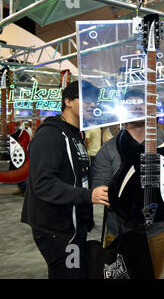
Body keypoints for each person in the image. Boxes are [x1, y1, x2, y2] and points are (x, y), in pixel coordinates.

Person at [21, 81, 109, 279]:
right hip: (56, 229)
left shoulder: (76, 134)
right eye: (86, 99)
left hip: (74, 224)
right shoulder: (50, 134)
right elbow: (43, 184)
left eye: (95, 101)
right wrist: (88, 195)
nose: (93, 104)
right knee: (70, 274)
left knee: (74, 273)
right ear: (67, 101)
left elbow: (78, 174)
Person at [91, 91, 164, 279]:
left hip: (156, 231)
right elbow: (100, 193)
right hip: (118, 232)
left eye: (141, 103)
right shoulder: (108, 149)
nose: (137, 107)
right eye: (131, 104)